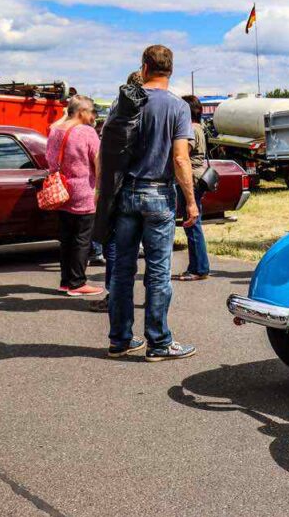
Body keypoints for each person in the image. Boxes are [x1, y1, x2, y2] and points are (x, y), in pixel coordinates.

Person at [105, 45, 198, 361]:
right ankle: (158, 343)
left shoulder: (125, 102)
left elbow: (106, 149)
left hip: (126, 193)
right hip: (159, 194)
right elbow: (181, 159)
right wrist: (191, 202)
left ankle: (120, 339)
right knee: (158, 272)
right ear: (170, 71)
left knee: (122, 270)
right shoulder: (177, 107)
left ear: (144, 67)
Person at [45, 95, 104, 296]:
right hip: (83, 192)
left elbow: (49, 156)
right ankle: (78, 283)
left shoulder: (55, 131)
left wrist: (65, 114)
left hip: (60, 191)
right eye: (91, 111)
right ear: (81, 112)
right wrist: (100, 189)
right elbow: (99, 162)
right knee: (82, 239)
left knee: (67, 240)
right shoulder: (87, 132)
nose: (93, 115)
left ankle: (65, 281)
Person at [176, 95, 211, 281]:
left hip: (192, 180)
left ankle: (199, 268)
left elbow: (182, 155)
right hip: (199, 178)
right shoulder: (200, 128)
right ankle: (197, 266)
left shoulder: (190, 130)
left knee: (192, 225)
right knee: (193, 225)